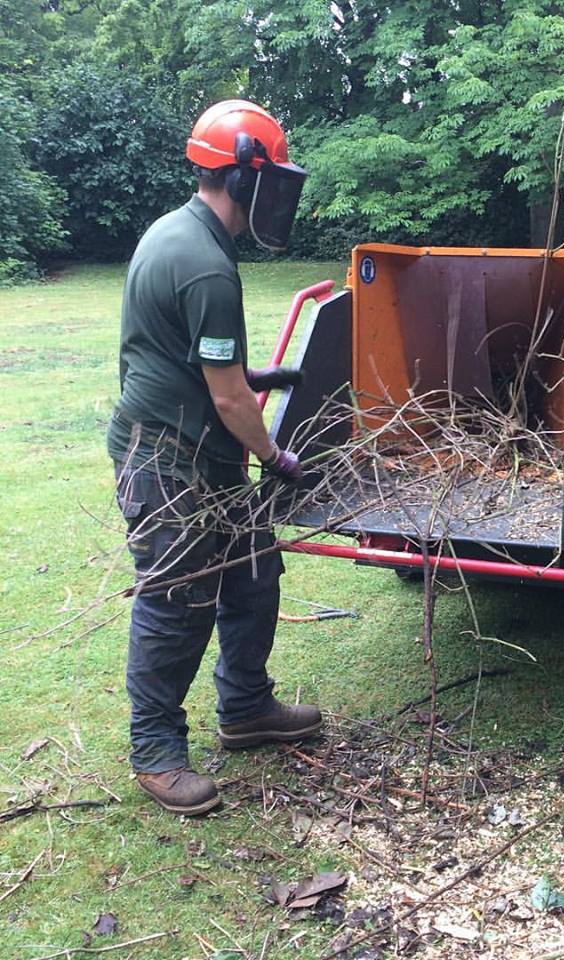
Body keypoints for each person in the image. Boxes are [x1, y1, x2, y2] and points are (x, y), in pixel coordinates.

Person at [107, 100, 321, 816]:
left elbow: (193, 359)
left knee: (254, 575)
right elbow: (229, 400)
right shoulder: (205, 265)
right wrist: (278, 456)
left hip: (207, 452)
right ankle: (156, 753)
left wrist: (253, 378)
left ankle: (246, 706)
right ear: (243, 177)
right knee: (176, 599)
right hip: (168, 460)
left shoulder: (180, 233)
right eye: (271, 181)